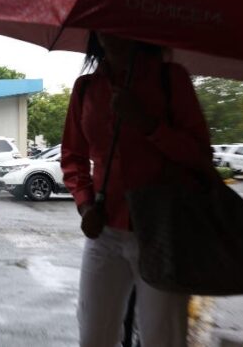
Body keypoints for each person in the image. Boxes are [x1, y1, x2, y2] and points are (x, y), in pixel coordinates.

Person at [61, 32, 212, 347]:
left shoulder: (171, 80)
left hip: (163, 232)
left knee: (163, 338)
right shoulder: (87, 88)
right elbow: (73, 158)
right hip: (104, 231)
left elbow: (199, 154)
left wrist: (147, 124)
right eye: (101, 24)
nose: (109, 33)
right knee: (93, 337)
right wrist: (85, 204)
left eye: (119, 25)